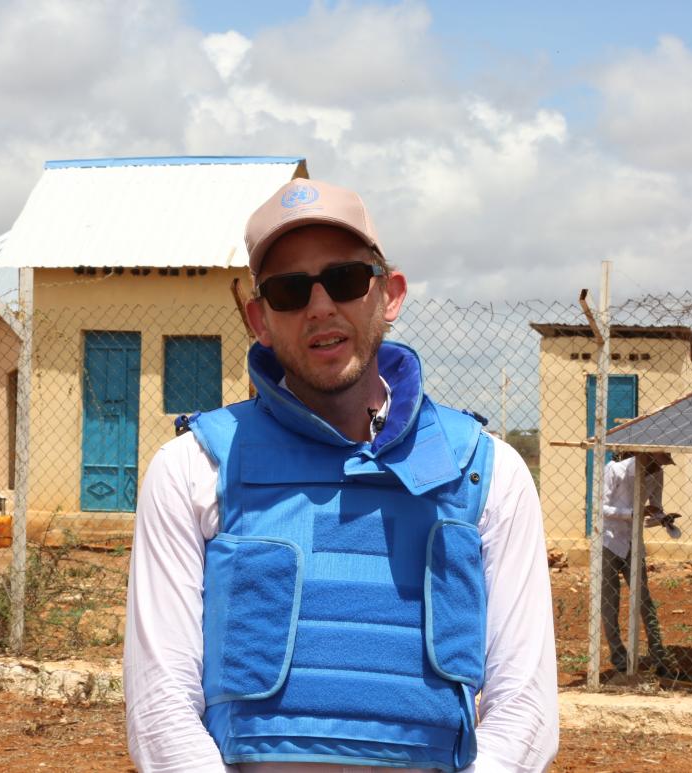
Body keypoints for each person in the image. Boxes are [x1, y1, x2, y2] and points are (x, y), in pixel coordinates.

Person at [124, 178, 559, 771]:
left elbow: (524, 705)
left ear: (391, 294)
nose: (321, 306)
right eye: (289, 290)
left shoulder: (486, 471)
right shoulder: (193, 468)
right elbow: (160, 705)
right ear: (259, 319)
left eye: (347, 280)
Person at [600, 451, 679, 676]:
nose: (658, 469)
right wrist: (634, 512)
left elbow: (655, 507)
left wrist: (663, 519)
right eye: (656, 463)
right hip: (609, 540)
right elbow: (601, 508)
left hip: (634, 541)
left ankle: (658, 654)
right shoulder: (615, 470)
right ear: (645, 457)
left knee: (644, 600)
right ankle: (619, 657)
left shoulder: (656, 475)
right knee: (610, 602)